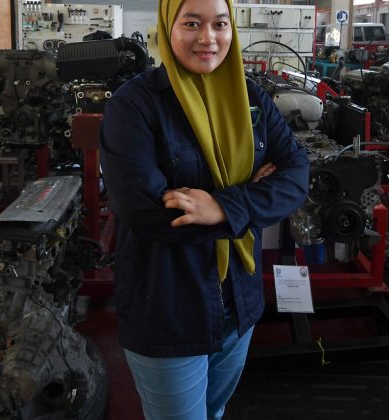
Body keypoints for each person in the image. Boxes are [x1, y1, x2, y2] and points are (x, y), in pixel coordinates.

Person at [99, 0, 309, 418]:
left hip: (239, 302)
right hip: (169, 307)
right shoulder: (134, 105)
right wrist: (249, 198)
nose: (208, 38)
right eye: (192, 23)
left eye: (220, 24)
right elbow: (147, 212)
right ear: (167, 28)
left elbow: (297, 174)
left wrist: (223, 206)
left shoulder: (250, 97)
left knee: (215, 411)